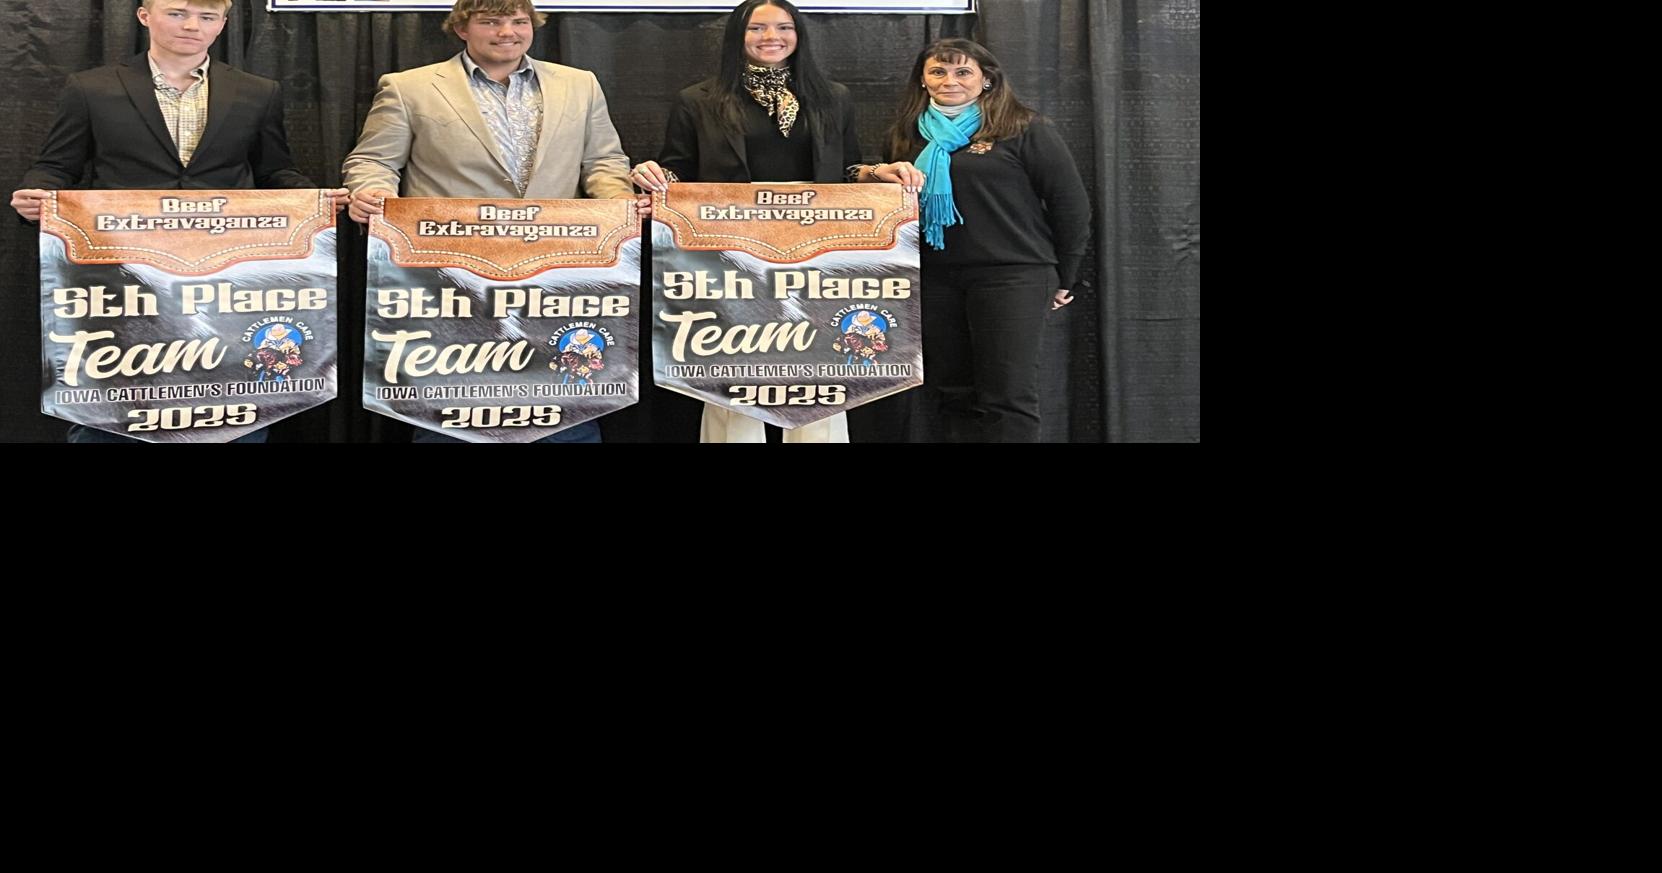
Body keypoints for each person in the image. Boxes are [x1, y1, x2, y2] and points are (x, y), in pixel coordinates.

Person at [12, 0, 348, 444]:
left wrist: (313, 200)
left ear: (222, 24)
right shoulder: (91, 88)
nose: (192, 26)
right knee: (113, 403)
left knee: (230, 398)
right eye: (176, 13)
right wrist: (35, 192)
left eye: (207, 17)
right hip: (124, 277)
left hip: (227, 281)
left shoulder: (257, 90)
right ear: (144, 15)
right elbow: (56, 166)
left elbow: (273, 171)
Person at [343, 0, 649, 444]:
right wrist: (372, 193)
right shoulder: (409, 87)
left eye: (518, 21)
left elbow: (603, 162)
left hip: (559, 276)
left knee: (567, 407)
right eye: (490, 21)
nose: (507, 31)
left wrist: (618, 206)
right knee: (449, 414)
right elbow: (373, 162)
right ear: (462, 29)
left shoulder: (579, 84)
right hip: (449, 281)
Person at [630, 0, 923, 444]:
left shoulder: (832, 97)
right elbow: (678, 172)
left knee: (817, 370)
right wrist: (650, 176)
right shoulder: (698, 100)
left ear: (799, 35)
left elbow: (844, 169)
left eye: (784, 27)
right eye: (757, 28)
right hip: (728, 259)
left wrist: (876, 173)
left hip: (815, 255)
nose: (772, 37)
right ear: (737, 36)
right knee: (731, 374)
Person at [878, 38, 1090, 442]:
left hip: (1013, 276)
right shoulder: (906, 136)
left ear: (987, 79)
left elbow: (1071, 206)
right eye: (938, 71)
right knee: (953, 392)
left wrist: (1066, 276)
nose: (949, 81)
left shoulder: (1023, 128)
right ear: (923, 80)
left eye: (963, 72)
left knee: (1006, 396)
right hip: (935, 279)